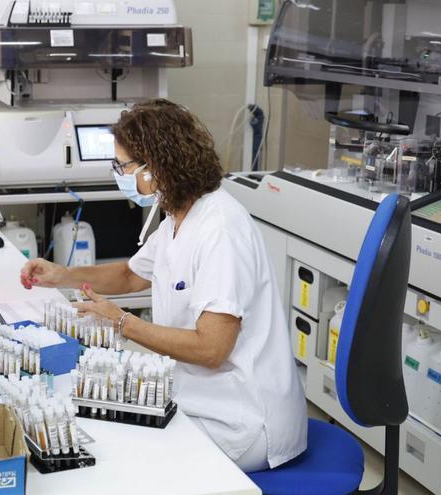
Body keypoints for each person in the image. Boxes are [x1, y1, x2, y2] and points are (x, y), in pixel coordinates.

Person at [20, 99, 307, 471]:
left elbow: (213, 349)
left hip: (245, 418)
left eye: (123, 166)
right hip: (204, 394)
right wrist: (60, 275)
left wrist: (123, 322)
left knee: (126, 459)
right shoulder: (178, 214)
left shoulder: (219, 229)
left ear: (155, 166)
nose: (119, 174)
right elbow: (131, 274)